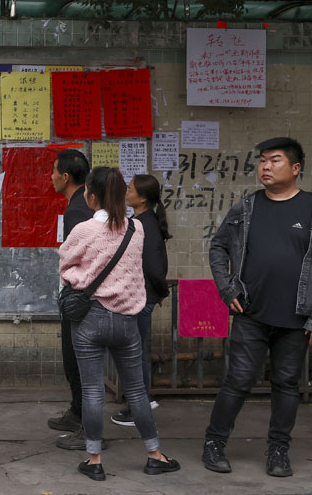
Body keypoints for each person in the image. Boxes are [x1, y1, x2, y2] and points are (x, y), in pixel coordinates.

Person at [60, 166, 179, 481]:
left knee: (92, 391)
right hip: (126, 319)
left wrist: (80, 277)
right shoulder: (136, 228)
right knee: (137, 391)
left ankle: (94, 460)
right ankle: (155, 454)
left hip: (90, 319)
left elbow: (65, 264)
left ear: (92, 196)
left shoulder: (84, 230)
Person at [203, 137, 312, 478]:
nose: (265, 166)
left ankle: (279, 451)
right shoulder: (247, 207)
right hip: (251, 313)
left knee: (287, 385)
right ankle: (214, 443)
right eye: (262, 160)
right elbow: (218, 247)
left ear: (295, 168)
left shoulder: (310, 207)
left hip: (296, 318)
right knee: (237, 380)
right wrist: (227, 287)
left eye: (274, 160)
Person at [111, 174, 171, 426]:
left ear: (143, 198)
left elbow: (154, 266)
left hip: (141, 297)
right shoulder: (140, 221)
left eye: (131, 189)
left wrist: (162, 292)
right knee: (135, 353)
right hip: (141, 296)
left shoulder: (144, 225)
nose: (126, 192)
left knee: (134, 355)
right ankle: (141, 403)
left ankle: (139, 409)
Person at [48, 148, 94, 450]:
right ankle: (77, 413)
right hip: (83, 297)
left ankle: (88, 429)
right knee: (74, 361)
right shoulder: (83, 205)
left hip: (81, 299)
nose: (51, 176)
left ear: (65, 177)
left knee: (77, 362)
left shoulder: (77, 211)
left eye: (54, 171)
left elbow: (81, 260)